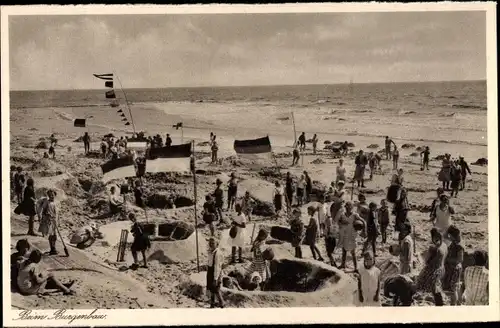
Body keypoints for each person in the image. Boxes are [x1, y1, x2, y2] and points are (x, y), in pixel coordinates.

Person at [416, 228, 447, 306]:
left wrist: (421, 256)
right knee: (436, 289)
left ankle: (439, 303)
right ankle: (439, 303)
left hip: (432, 271)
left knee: (422, 285)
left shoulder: (433, 248)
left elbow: (426, 260)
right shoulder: (444, 245)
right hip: (440, 269)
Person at [338, 201, 365, 271]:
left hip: (352, 234)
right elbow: (338, 222)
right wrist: (341, 223)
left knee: (353, 252)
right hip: (345, 233)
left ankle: (356, 267)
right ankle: (343, 264)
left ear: (352, 208)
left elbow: (363, 221)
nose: (348, 208)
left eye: (350, 207)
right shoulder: (342, 215)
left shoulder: (355, 215)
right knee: (344, 250)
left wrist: (363, 230)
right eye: (347, 207)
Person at [442, 225, 464, 305]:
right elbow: (444, 236)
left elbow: (460, 260)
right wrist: (448, 231)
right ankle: (456, 303)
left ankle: (454, 304)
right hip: (451, 268)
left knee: (454, 288)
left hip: (455, 269)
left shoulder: (459, 246)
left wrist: (448, 260)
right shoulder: (453, 242)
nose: (448, 236)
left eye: (449, 235)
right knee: (454, 288)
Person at [38, 189, 59, 255]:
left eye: (52, 195)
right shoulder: (47, 202)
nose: (51, 196)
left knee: (55, 235)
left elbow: (57, 213)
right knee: (51, 235)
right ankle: (52, 249)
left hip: (55, 220)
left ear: (55, 195)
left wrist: (57, 220)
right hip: (49, 221)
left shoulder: (55, 203)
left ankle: (54, 248)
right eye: (50, 195)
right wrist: (47, 214)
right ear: (48, 196)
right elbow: (43, 212)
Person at [206, 237, 225, 308]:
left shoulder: (217, 254)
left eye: (213, 243)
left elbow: (217, 267)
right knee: (211, 289)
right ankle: (212, 303)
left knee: (216, 289)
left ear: (217, 244)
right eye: (210, 243)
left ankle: (222, 303)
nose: (211, 244)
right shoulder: (210, 252)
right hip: (210, 272)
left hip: (216, 273)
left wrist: (215, 278)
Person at [324, 197, 339, 267]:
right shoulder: (335, 220)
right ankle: (332, 262)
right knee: (330, 252)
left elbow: (327, 229)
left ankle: (333, 263)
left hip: (329, 238)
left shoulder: (329, 219)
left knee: (329, 253)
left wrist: (326, 235)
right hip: (333, 237)